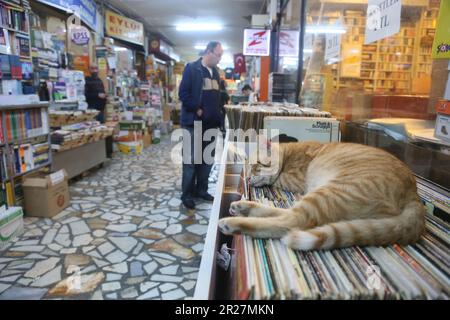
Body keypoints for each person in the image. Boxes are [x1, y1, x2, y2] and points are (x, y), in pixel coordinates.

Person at [178, 41, 224, 209]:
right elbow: (183, 93)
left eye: (221, 55)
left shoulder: (216, 73)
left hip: (211, 124)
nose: (220, 59)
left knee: (206, 160)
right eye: (218, 55)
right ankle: (187, 194)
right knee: (190, 161)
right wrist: (196, 109)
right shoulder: (192, 68)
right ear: (209, 52)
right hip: (194, 123)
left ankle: (201, 190)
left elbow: (216, 97)